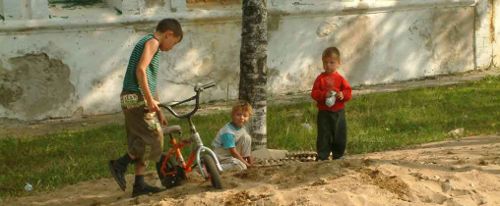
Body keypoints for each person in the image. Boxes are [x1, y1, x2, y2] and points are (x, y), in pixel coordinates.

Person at [109, 18, 183, 197]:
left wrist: (158, 109)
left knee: (140, 139)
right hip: (135, 97)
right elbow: (140, 71)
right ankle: (119, 164)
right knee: (154, 136)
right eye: (173, 43)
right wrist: (150, 101)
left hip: (134, 97)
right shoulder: (153, 42)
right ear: (168, 34)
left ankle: (139, 184)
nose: (171, 48)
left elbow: (148, 80)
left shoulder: (151, 44)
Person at [311, 46, 352, 161]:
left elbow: (348, 91)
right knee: (324, 134)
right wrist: (324, 94)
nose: (328, 65)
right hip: (324, 112)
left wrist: (343, 95)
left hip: (338, 112)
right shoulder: (320, 79)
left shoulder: (340, 79)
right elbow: (314, 93)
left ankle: (338, 155)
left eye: (331, 62)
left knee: (339, 134)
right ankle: (323, 156)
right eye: (325, 62)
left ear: (338, 63)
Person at [212, 101, 254, 171]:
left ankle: (243, 161)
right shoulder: (228, 132)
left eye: (245, 116)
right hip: (222, 157)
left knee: (247, 137)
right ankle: (213, 168)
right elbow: (233, 152)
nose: (241, 118)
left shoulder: (242, 127)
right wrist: (247, 165)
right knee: (241, 166)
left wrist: (250, 163)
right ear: (232, 115)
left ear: (249, 117)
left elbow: (246, 149)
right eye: (238, 115)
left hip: (231, 155)